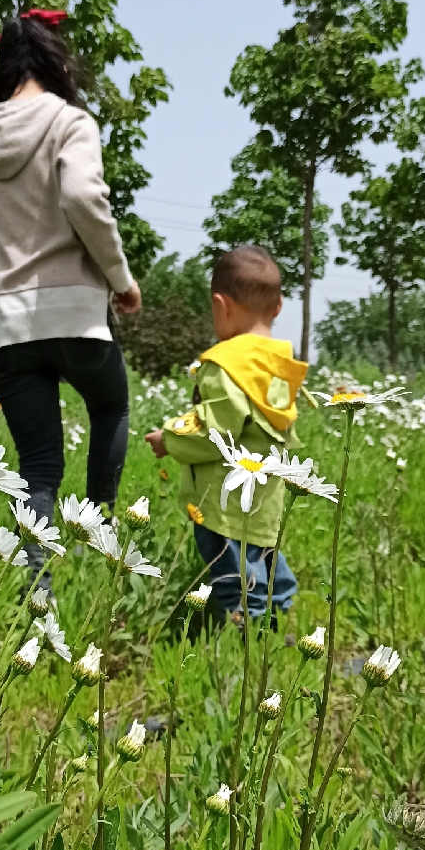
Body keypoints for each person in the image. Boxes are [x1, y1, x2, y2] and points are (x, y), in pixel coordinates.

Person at [0, 9, 141, 585]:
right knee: (110, 406)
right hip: (74, 315)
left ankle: (38, 596)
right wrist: (120, 280)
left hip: (3, 328)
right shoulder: (70, 122)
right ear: (56, 63)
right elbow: (81, 196)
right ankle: (103, 539)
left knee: (39, 468)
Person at [144, 246, 307, 622]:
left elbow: (212, 431)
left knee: (230, 563)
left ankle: (243, 623)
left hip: (224, 495)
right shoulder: (280, 366)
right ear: (279, 307)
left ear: (221, 304)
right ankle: (281, 606)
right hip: (266, 490)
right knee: (263, 549)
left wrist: (168, 439)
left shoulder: (226, 365)